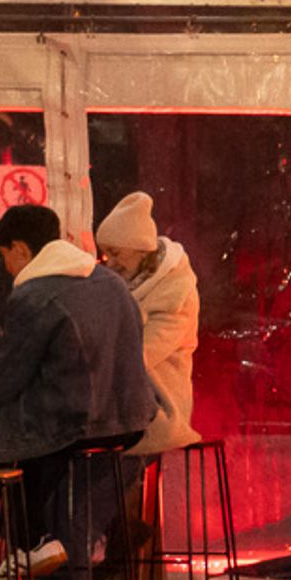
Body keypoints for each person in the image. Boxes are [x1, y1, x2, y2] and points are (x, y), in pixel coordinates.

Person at [0, 203, 160, 580]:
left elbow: (5, 378)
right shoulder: (110, 282)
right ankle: (106, 530)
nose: (7, 269)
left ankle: (33, 541)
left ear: (19, 249)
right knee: (31, 456)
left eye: (6, 257)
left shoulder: (35, 295)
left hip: (76, 423)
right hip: (131, 421)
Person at [93, 191, 200, 455]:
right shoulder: (128, 284)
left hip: (158, 410)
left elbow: (139, 356)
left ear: (141, 250)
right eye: (106, 254)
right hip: (126, 406)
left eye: (116, 253)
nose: (111, 263)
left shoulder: (175, 294)